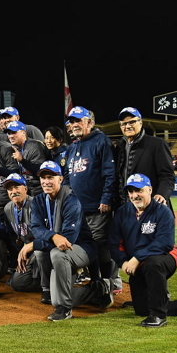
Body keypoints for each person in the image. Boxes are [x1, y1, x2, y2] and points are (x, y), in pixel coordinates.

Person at [109, 174, 177, 327]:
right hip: (137, 262)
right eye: (130, 191)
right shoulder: (122, 213)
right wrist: (124, 261)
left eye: (139, 190)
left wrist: (136, 258)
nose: (134, 195)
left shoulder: (163, 212)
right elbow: (114, 243)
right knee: (142, 309)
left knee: (154, 264)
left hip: (165, 256)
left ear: (150, 190)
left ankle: (158, 315)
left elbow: (164, 243)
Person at [20, 161, 114, 321]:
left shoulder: (71, 201)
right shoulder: (38, 200)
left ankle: (65, 308)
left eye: (51, 177)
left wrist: (36, 242)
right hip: (59, 249)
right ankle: (98, 288)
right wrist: (52, 237)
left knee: (56, 253)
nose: (46, 181)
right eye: (43, 177)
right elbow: (35, 227)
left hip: (82, 248)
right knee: (43, 257)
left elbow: (67, 240)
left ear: (60, 179)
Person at [65, 106, 117, 285]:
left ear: (90, 122)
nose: (74, 125)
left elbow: (110, 173)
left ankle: (107, 283)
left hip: (96, 206)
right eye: (72, 122)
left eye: (78, 120)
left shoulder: (101, 141)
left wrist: (106, 198)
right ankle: (95, 281)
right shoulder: (73, 147)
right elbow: (66, 176)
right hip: (78, 208)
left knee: (100, 244)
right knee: (88, 245)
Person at [115, 107, 175, 210]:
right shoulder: (119, 147)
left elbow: (167, 175)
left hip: (150, 206)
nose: (128, 126)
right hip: (125, 208)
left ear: (140, 122)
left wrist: (162, 194)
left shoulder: (156, 144)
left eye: (132, 122)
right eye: (124, 124)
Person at [4, 120, 47, 196]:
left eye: (14, 132)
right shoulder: (15, 148)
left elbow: (41, 171)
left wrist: (22, 160)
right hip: (27, 190)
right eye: (9, 133)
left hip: (39, 190)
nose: (11, 136)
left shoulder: (34, 146)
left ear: (24, 132)